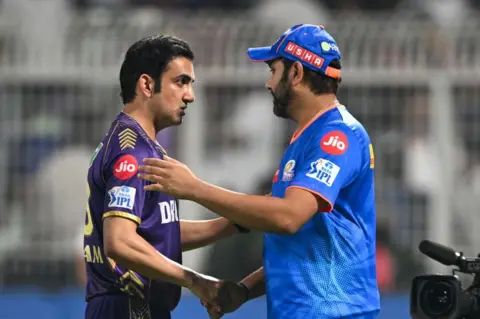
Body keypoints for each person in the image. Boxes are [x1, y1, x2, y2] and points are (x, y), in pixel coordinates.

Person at [137, 24, 380, 319]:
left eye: (273, 71)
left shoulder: (337, 136)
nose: (269, 83)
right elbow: (303, 246)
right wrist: (244, 290)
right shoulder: (307, 138)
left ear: (297, 74)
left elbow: (288, 217)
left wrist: (195, 189)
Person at [83, 35, 248, 319]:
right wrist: (195, 281)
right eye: (180, 81)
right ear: (147, 85)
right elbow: (120, 242)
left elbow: (155, 231)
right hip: (128, 308)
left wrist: (231, 225)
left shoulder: (137, 143)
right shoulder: (132, 152)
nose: (189, 95)